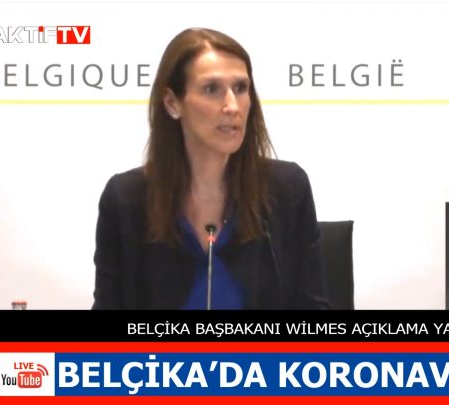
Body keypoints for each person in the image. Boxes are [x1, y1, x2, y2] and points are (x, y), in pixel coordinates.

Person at [91, 28, 329, 309]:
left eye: (240, 88)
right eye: (211, 89)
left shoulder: (287, 189)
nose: (232, 106)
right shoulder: (126, 199)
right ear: (172, 102)